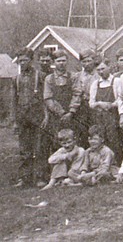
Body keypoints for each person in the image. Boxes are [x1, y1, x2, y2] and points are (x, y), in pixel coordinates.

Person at [13, 47, 47, 187]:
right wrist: (15, 121)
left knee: (39, 148)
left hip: (37, 117)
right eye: (20, 61)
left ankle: (40, 177)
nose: (22, 63)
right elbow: (14, 101)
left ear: (31, 60)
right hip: (22, 118)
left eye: (25, 60)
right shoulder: (16, 79)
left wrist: (46, 116)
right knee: (24, 149)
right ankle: (24, 178)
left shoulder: (40, 76)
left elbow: (45, 97)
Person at [44, 51, 76, 141]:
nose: (61, 63)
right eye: (58, 61)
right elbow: (48, 98)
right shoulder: (49, 78)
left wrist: (71, 111)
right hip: (56, 115)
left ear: (67, 61)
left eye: (63, 60)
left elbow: (77, 94)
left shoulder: (73, 76)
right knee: (56, 140)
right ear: (54, 62)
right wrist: (61, 112)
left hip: (73, 115)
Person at [69, 49, 98, 141]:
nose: (87, 64)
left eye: (89, 61)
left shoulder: (99, 74)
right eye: (84, 62)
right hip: (82, 108)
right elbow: (76, 94)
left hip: (96, 108)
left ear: (94, 61)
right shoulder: (78, 76)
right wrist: (73, 109)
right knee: (82, 134)